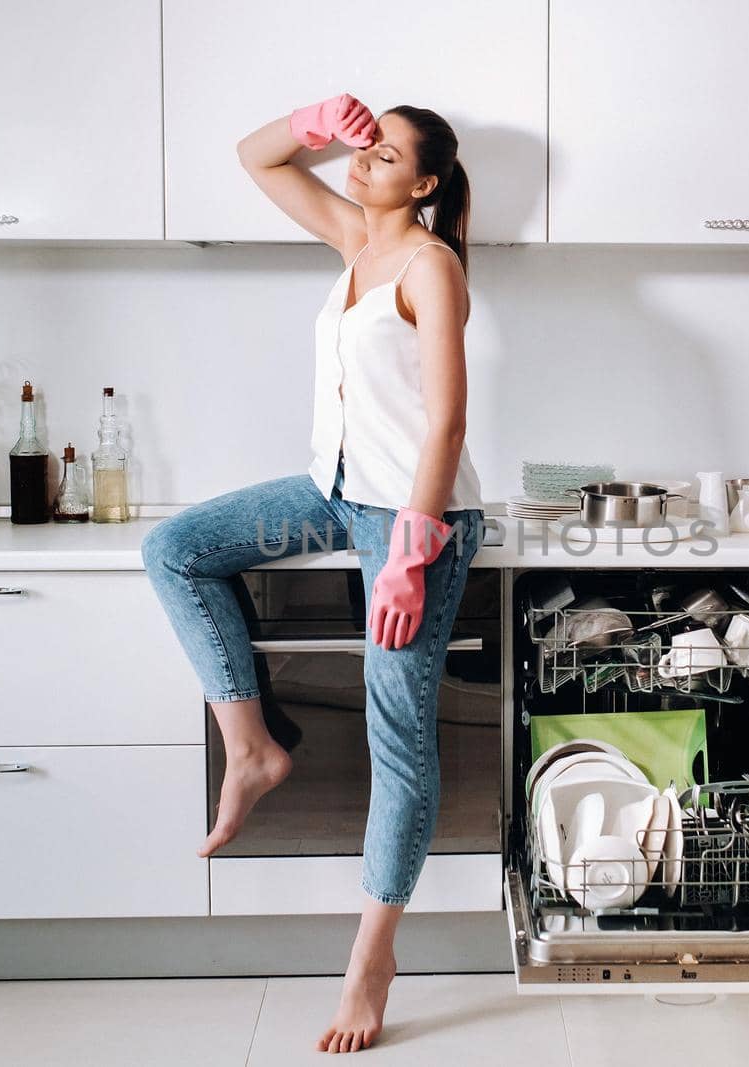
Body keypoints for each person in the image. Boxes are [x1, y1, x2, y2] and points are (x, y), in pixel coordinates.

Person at [140, 93, 486, 1054]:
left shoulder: (431, 264)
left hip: (417, 514)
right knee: (175, 548)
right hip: (333, 490)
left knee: (397, 732)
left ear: (423, 183)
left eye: (382, 156)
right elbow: (258, 159)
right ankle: (251, 745)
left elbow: (448, 423)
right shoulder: (354, 242)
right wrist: (313, 119)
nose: (361, 163)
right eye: (361, 150)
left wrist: (413, 556)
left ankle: (372, 958)